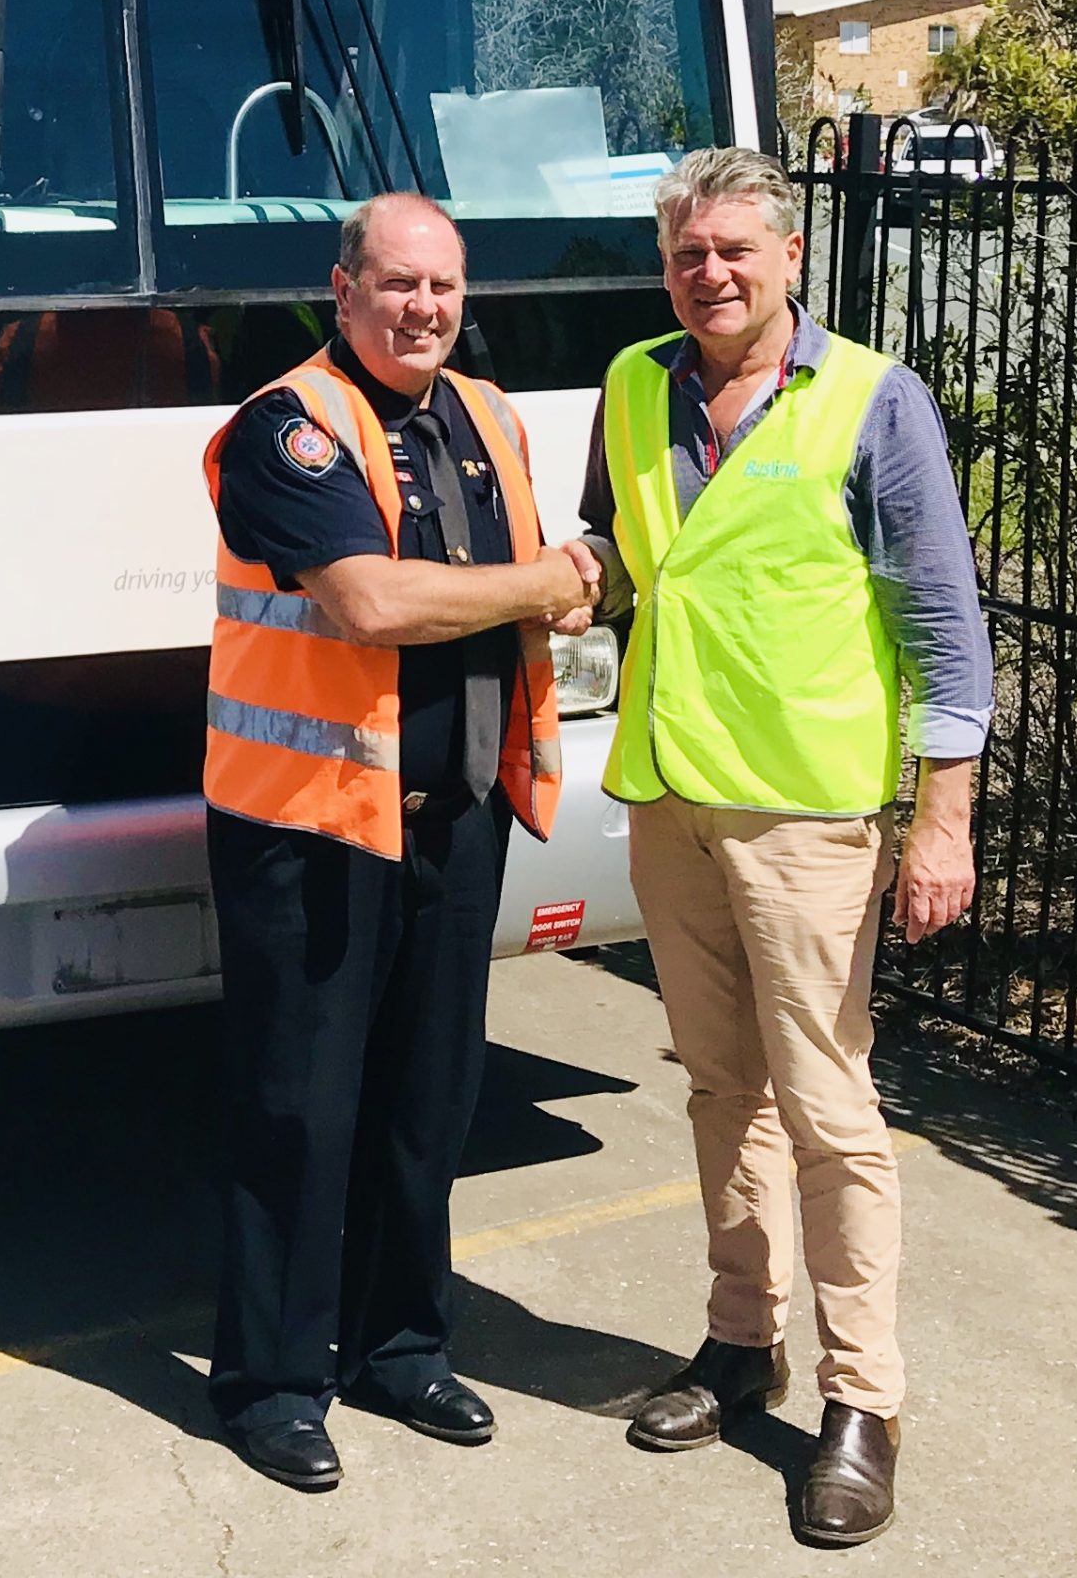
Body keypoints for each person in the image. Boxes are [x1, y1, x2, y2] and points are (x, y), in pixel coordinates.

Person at [573, 145, 989, 1549]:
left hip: (808, 814)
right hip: (668, 796)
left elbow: (941, 624)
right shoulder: (633, 386)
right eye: (688, 254)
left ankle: (860, 1403)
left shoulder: (872, 400)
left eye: (736, 251)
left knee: (826, 1108)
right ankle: (738, 1343)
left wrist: (941, 820)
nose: (711, 275)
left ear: (790, 257)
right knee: (714, 1089)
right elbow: (611, 555)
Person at [201, 192, 596, 1491]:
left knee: (427, 1106)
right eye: (396, 285)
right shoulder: (287, 428)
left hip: (453, 818)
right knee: (298, 1115)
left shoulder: (487, 416)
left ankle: (400, 1348)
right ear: (343, 290)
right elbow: (367, 602)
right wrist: (548, 583)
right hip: (310, 828)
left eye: (441, 287)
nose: (422, 309)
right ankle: (268, 1383)